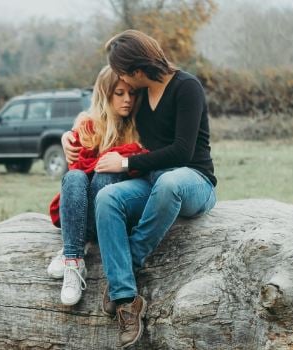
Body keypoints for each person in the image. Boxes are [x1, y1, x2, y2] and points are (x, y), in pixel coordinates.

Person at [83, 30, 218, 348]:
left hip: (193, 181)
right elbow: (102, 112)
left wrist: (127, 165)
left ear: (137, 69)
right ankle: (128, 301)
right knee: (107, 197)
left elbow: (183, 152)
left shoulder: (187, 87)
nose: (123, 82)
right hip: (153, 180)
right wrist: (70, 134)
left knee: (170, 182)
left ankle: (125, 267)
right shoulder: (140, 96)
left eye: (123, 72)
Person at [46, 65, 148, 306]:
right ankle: (73, 261)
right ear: (105, 94)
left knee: (104, 176)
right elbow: (77, 168)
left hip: (111, 216)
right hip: (81, 210)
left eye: (132, 94)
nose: (127, 100)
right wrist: (68, 137)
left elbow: (141, 162)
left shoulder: (139, 126)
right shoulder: (88, 125)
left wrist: (119, 160)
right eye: (120, 93)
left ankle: (72, 248)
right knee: (74, 177)